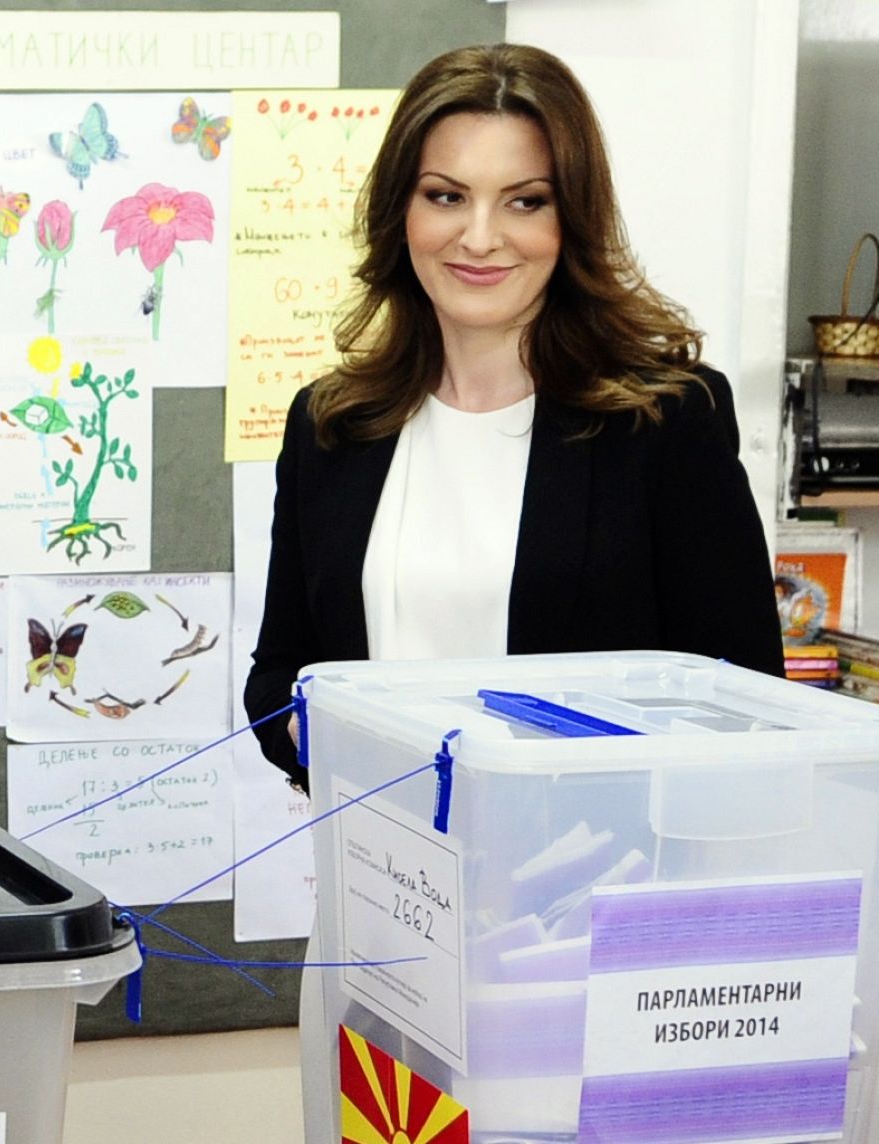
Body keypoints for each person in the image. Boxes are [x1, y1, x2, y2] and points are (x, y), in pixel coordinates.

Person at [241, 43, 782, 1143]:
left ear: (570, 221)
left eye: (522, 201)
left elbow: (741, 709)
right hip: (382, 930)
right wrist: (374, 773)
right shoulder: (333, 424)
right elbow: (274, 682)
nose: (478, 236)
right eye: (446, 195)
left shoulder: (660, 420)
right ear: (402, 212)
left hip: (590, 957)